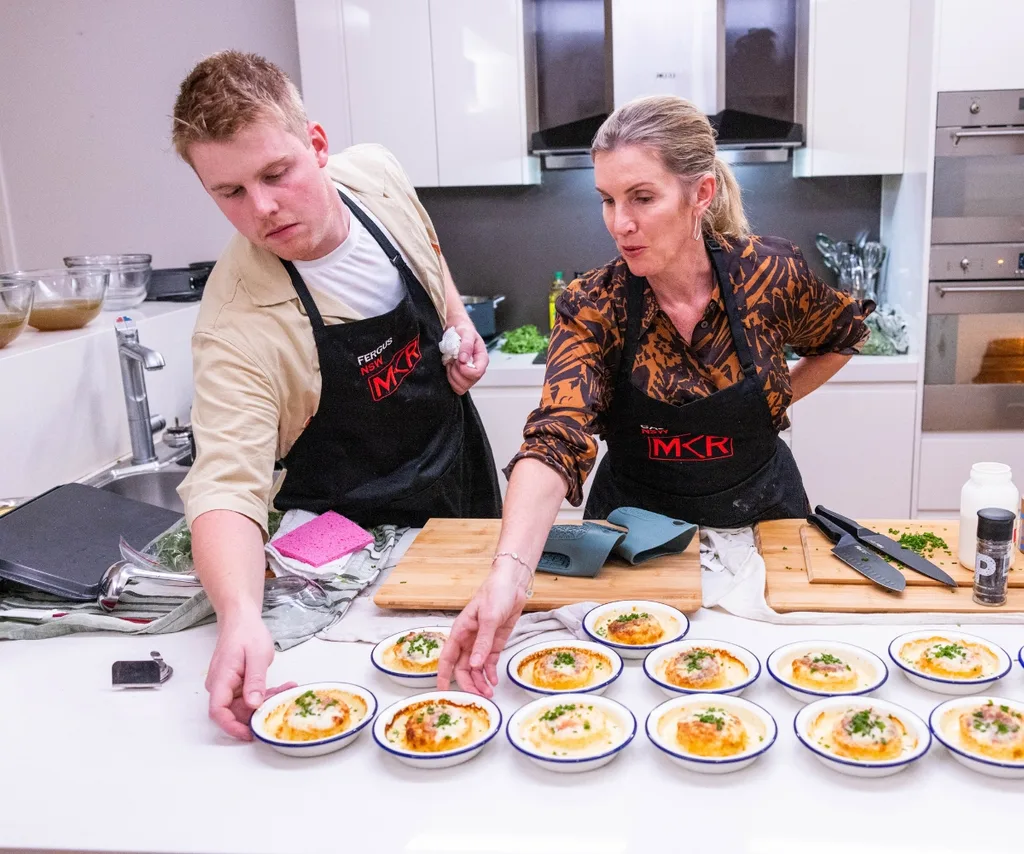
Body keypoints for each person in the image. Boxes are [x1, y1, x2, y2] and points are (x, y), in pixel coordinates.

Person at [437, 95, 871, 697]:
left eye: (642, 197)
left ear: (700, 195)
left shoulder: (769, 275)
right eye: (608, 201)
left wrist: (776, 398)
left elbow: (845, 335)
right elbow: (555, 436)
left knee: (783, 689)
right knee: (624, 697)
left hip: (762, 532)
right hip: (633, 539)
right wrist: (509, 574)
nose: (620, 223)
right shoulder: (594, 304)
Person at [171, 51, 501, 739]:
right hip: (352, 544)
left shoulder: (375, 175)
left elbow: (428, 254)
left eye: (275, 173)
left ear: (316, 147)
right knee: (396, 713)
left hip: (457, 471)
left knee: (488, 681)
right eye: (229, 192)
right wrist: (238, 618)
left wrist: (457, 322)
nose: (261, 207)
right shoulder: (237, 321)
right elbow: (226, 486)